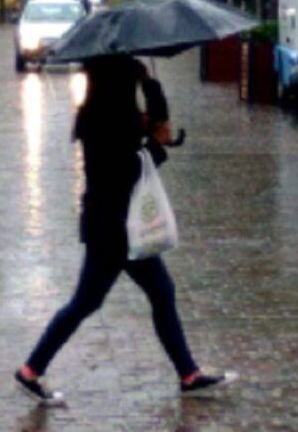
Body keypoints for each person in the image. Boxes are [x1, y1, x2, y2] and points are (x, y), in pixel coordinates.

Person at [14, 54, 233, 406]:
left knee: (147, 293)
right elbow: (127, 173)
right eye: (132, 83)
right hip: (115, 229)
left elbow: (149, 129)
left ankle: (188, 374)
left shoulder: (105, 114)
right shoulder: (108, 121)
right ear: (119, 86)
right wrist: (155, 146)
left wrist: (151, 87)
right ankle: (31, 370)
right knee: (96, 301)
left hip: (113, 225)